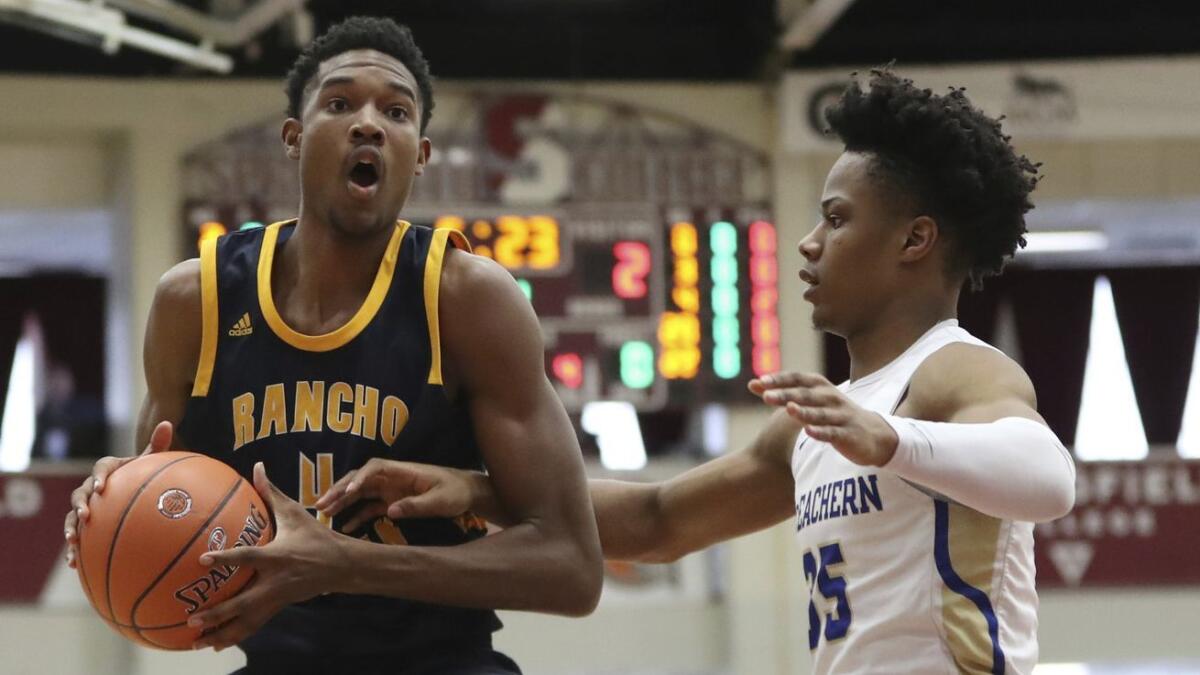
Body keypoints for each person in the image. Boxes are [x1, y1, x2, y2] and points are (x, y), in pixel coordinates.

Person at [316, 70, 1077, 675]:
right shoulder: (820, 422)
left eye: (837, 219)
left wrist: (891, 440)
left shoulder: (953, 371)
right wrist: (481, 490)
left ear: (915, 239)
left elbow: (1048, 478)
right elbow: (660, 522)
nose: (809, 244)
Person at [62, 16, 602, 674]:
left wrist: (347, 564)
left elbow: (572, 567)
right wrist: (108, 505)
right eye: (340, 102)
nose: (369, 123)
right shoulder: (194, 303)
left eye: (397, 111)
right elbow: (161, 506)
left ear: (421, 154)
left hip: (441, 662)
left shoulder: (467, 300)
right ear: (294, 137)